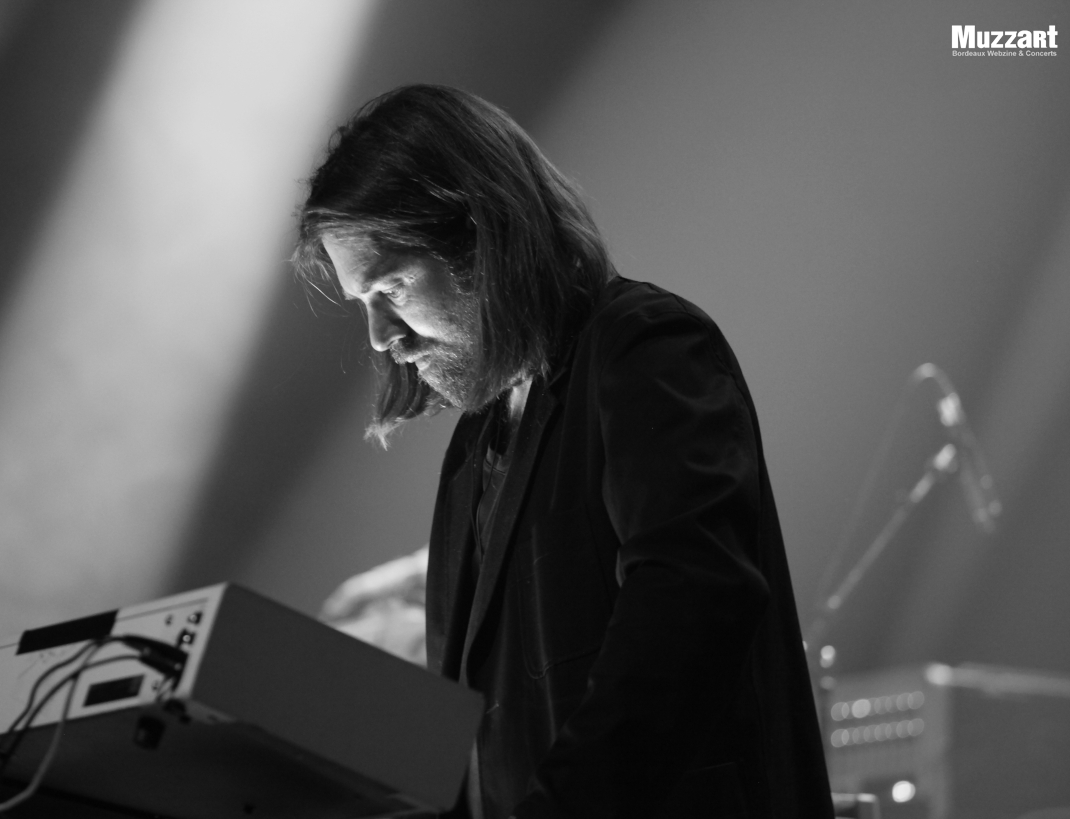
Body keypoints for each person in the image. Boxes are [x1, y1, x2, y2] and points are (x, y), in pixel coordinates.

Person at [294, 85, 832, 819]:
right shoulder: (475, 446)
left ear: (481, 236)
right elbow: (474, 739)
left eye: (391, 287)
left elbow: (688, 615)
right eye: (364, 303)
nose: (380, 337)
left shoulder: (645, 346)